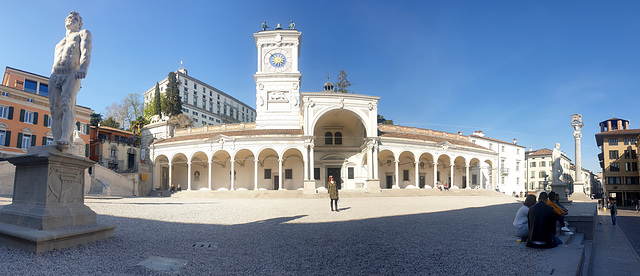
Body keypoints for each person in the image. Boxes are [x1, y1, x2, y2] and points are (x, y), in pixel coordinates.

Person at [49, 11, 92, 149]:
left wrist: (83, 68)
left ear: (79, 24)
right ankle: (56, 140)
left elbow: (86, 51)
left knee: (67, 104)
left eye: (75, 18)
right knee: (54, 110)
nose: (71, 19)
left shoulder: (83, 33)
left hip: (72, 73)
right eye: (69, 17)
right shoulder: (59, 43)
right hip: (55, 74)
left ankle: (65, 137)